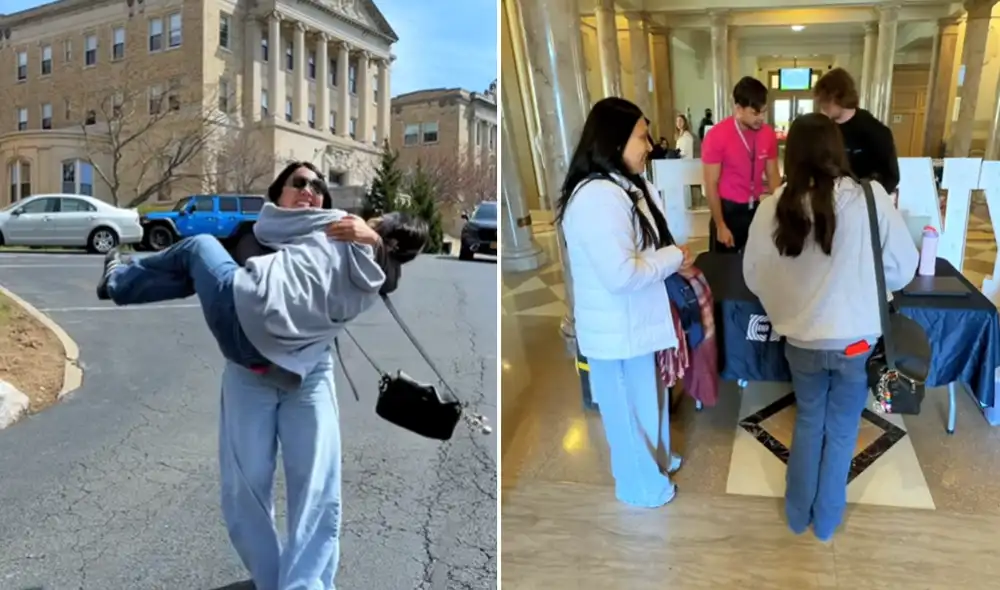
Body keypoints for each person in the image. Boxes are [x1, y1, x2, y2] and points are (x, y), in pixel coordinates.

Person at [101, 161, 428, 589]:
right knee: (245, 486)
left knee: (315, 487)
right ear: (278, 194)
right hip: (248, 370)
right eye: (299, 183)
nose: (309, 190)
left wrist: (375, 239)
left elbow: (391, 270)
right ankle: (271, 580)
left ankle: (304, 585)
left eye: (317, 186)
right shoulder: (248, 236)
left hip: (307, 372)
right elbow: (213, 285)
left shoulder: (340, 234)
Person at [742, 114, 918, 541]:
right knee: (841, 431)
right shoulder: (870, 198)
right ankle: (826, 523)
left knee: (807, 422)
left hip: (801, 342)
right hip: (856, 344)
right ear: (837, 149)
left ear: (792, 154)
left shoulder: (774, 205)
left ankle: (797, 513)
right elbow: (903, 267)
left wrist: (791, 304)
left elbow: (753, 276)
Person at [556, 96, 692, 507]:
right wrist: (674, 257)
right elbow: (621, 274)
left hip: (635, 322)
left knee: (647, 398)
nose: (649, 144)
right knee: (626, 414)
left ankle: (657, 460)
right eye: (641, 136)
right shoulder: (597, 196)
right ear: (614, 141)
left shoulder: (627, 185)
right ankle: (640, 485)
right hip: (615, 329)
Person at [702, 77, 781, 252]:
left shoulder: (767, 134)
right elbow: (711, 184)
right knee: (726, 271)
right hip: (726, 211)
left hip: (755, 209)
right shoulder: (717, 136)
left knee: (756, 267)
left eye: (764, 112)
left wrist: (779, 212)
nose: (761, 118)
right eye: (755, 113)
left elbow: (773, 174)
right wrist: (720, 225)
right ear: (738, 109)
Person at [814, 67, 900, 194]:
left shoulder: (875, 131)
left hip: (863, 203)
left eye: (825, 101)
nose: (822, 107)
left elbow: (890, 177)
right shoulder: (822, 130)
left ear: (838, 96)